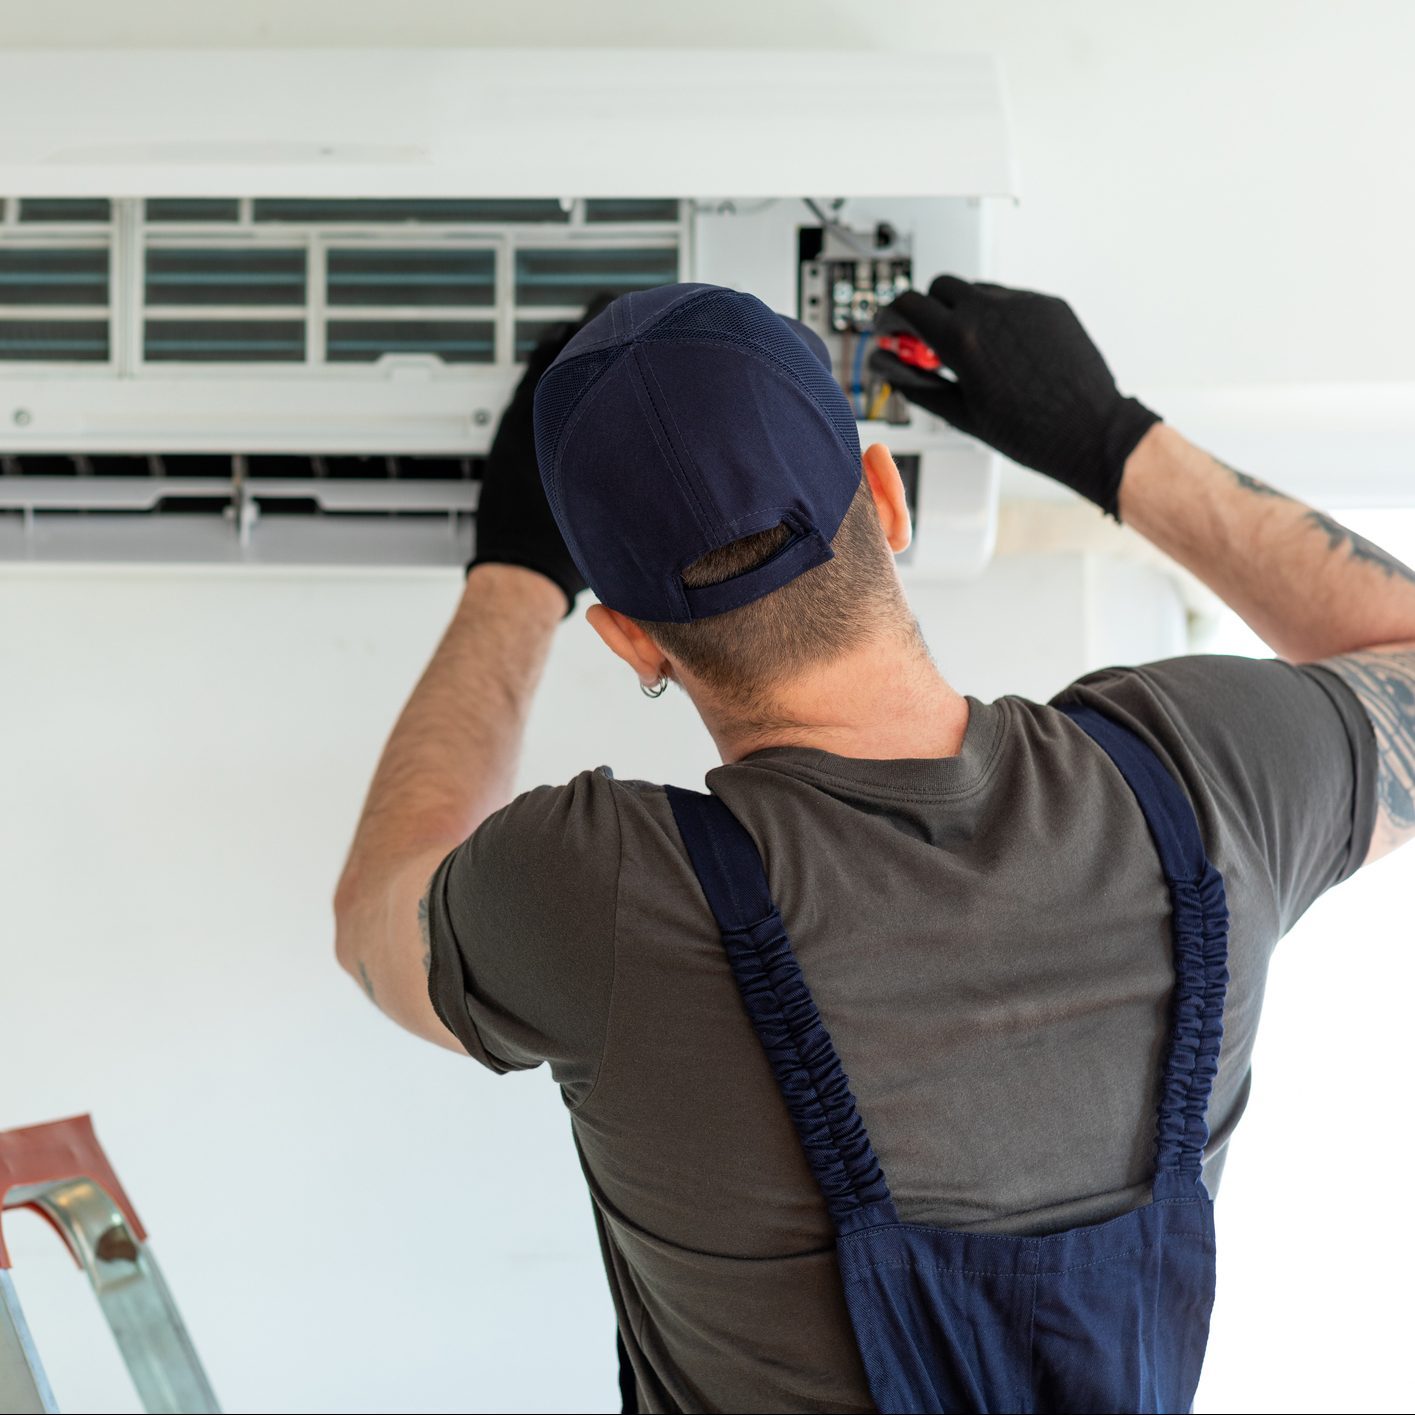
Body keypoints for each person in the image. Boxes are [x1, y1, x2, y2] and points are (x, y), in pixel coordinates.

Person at [333, 278, 1410, 1413]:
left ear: (628, 638)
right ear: (886, 500)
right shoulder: (1201, 779)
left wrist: (513, 577)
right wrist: (1105, 439)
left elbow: (372, 924)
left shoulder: (601, 886)